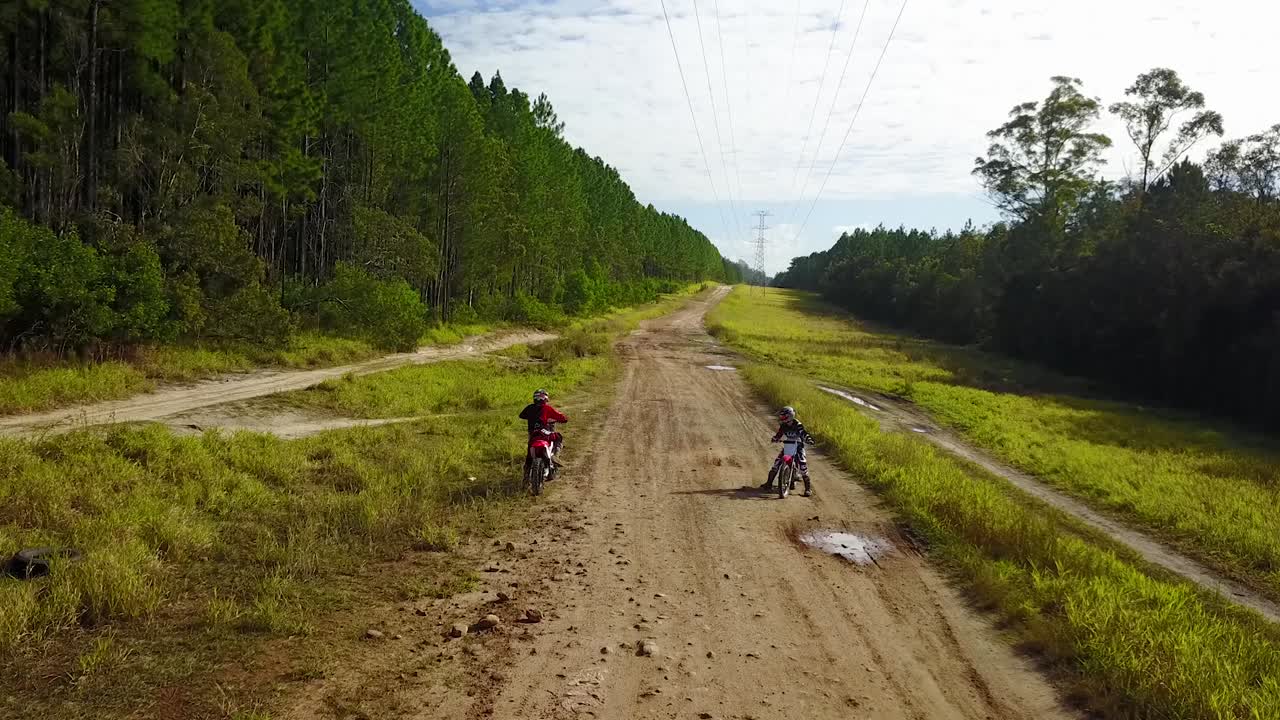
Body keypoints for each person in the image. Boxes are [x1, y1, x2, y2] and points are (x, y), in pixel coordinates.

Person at [760, 406, 816, 496]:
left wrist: (808, 439)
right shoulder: (783, 425)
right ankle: (768, 483)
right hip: (788, 445)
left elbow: (803, 433)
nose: (781, 418)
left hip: (798, 446)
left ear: (789, 416)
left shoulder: (798, 424)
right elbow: (779, 433)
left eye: (783, 416)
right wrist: (776, 438)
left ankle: (808, 489)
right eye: (781, 416)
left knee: (803, 465)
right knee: (777, 463)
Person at [519, 389, 567, 473]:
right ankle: (555, 456)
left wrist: (531, 417)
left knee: (529, 454)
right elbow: (562, 418)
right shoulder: (547, 408)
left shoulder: (529, 407)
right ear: (545, 399)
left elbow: (522, 415)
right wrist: (563, 419)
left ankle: (526, 476)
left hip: (533, 433)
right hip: (544, 432)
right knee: (558, 437)